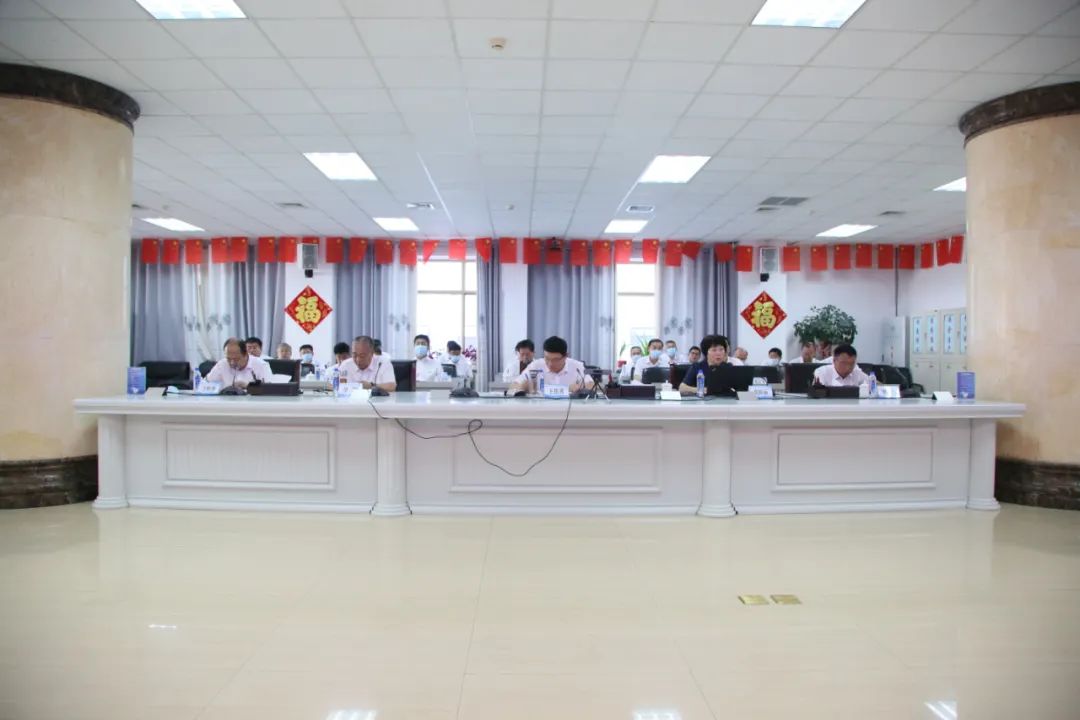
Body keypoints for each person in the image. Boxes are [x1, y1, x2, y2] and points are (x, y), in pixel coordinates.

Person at [510, 336, 594, 395]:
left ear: (566, 356)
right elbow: (514, 385)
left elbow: (591, 385)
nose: (550, 364)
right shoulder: (535, 365)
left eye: (555, 360)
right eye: (547, 358)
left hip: (570, 410)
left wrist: (581, 388)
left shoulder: (577, 366)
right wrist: (522, 387)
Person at [206, 337, 272, 389]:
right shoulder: (222, 364)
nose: (232, 363)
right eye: (228, 359)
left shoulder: (261, 365)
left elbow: (269, 389)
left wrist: (248, 386)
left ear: (246, 354)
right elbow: (206, 384)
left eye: (236, 359)